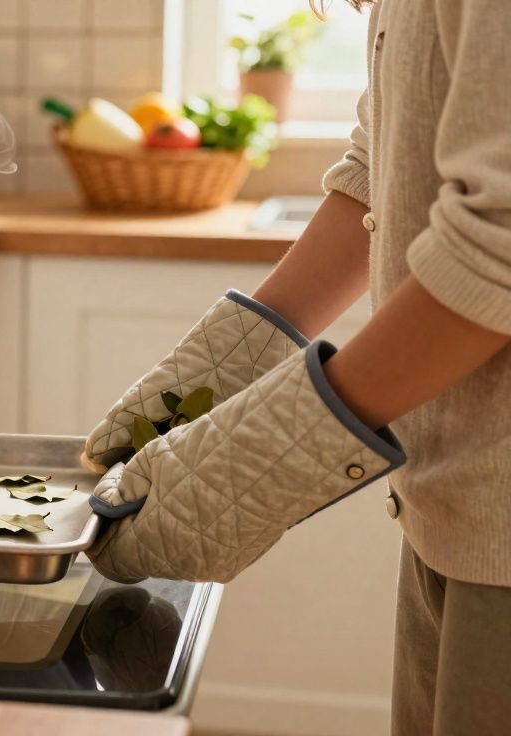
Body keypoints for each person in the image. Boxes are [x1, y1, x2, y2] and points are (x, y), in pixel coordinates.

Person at [79, 1, 511, 734]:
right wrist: (220, 367)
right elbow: (388, 160)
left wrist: (251, 460)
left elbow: (497, 245)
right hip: (456, 506)